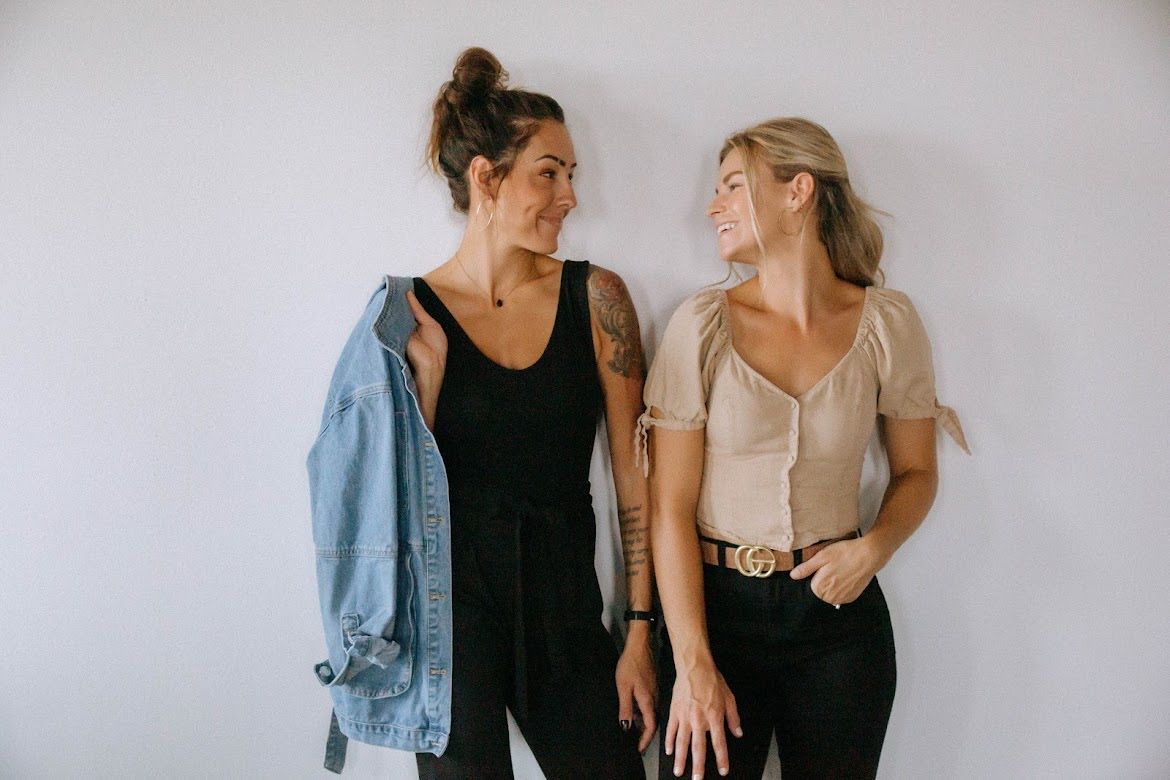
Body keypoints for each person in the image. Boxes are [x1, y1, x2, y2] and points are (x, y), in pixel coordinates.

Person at [639, 117, 968, 780]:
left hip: (838, 624)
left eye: (733, 185)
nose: (713, 206)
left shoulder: (889, 323)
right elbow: (668, 506)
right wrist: (693, 662)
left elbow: (915, 471)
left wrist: (874, 547)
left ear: (798, 192)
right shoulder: (700, 325)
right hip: (716, 617)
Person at [405, 48, 655, 778]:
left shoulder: (597, 298)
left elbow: (634, 480)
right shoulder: (410, 315)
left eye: (571, 174)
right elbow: (390, 499)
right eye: (549, 171)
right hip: (450, 623)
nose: (570, 195)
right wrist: (424, 389)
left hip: (566, 614)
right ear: (486, 177)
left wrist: (638, 633)